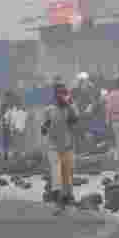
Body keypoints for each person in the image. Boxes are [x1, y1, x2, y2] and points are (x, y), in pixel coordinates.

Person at [41, 78, 80, 212]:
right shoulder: (50, 110)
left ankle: (67, 197)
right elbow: (44, 127)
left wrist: (69, 105)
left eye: (62, 93)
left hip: (67, 146)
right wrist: (45, 127)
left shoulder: (70, 108)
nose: (60, 96)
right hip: (53, 146)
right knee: (57, 171)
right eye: (58, 93)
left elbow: (75, 121)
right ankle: (58, 198)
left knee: (67, 173)